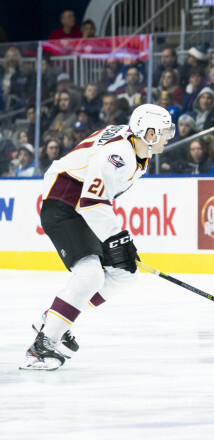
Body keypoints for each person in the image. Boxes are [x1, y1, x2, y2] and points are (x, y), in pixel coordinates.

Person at [20, 104, 175, 370]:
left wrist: (119, 241)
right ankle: (41, 347)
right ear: (148, 133)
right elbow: (91, 201)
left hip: (81, 207)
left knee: (124, 273)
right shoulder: (119, 154)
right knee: (90, 275)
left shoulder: (138, 150)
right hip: (64, 204)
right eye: (164, 131)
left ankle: (56, 317)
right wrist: (117, 238)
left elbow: (94, 199)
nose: (169, 136)